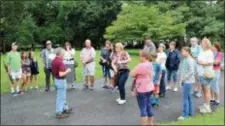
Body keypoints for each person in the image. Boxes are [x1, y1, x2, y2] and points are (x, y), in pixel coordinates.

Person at [130, 50, 154, 126]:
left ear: (144, 57)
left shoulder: (140, 65)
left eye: (140, 56)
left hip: (142, 89)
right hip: (150, 87)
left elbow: (131, 74)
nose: (139, 57)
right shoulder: (150, 64)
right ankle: (150, 124)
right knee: (148, 106)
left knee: (143, 108)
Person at [52, 47, 72, 119]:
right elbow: (61, 74)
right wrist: (68, 70)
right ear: (60, 54)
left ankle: (64, 108)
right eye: (63, 53)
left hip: (57, 79)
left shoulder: (54, 60)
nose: (64, 55)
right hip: (60, 80)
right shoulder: (60, 62)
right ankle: (59, 112)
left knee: (62, 96)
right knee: (61, 97)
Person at [197, 38, 214, 113]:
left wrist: (201, 63)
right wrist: (199, 62)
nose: (201, 43)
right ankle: (205, 104)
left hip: (206, 73)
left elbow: (210, 63)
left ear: (206, 44)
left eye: (202, 43)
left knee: (207, 90)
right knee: (204, 90)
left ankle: (208, 107)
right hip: (201, 73)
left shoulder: (209, 52)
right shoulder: (202, 51)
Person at [177, 46, 195, 120]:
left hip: (188, 82)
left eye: (183, 51)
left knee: (185, 99)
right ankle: (191, 112)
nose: (181, 53)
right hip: (187, 81)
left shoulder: (189, 60)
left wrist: (184, 79)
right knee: (188, 97)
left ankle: (185, 115)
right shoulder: (185, 59)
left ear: (187, 52)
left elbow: (191, 71)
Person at [211, 42, 223, 107]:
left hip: (216, 71)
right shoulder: (212, 53)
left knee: (215, 86)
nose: (212, 47)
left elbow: (216, 62)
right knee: (211, 86)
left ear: (216, 47)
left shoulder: (219, 54)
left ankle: (217, 100)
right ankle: (212, 99)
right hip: (211, 71)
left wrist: (209, 60)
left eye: (213, 46)